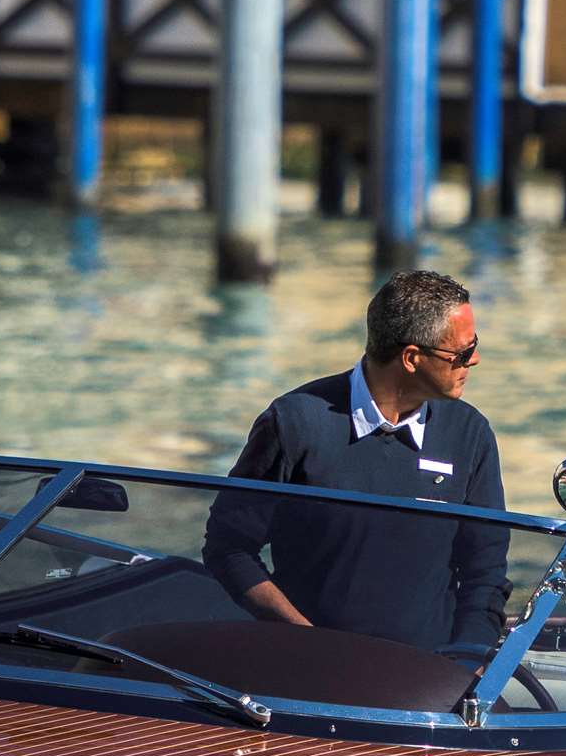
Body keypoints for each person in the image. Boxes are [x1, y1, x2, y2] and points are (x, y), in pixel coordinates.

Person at [202, 268, 512, 656]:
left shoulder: (471, 433)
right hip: (309, 673)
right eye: (463, 352)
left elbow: (486, 573)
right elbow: (228, 548)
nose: (475, 359)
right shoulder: (294, 423)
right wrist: (307, 642)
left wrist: (468, 663)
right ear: (412, 358)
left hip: (429, 681)